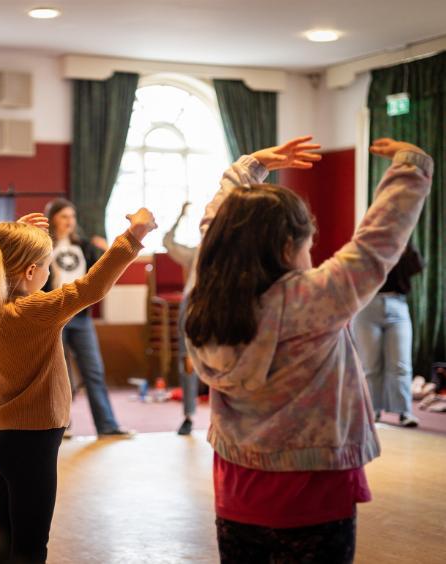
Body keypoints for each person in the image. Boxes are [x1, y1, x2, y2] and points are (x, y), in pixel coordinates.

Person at [185, 136, 432, 563]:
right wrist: (412, 166)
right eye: (307, 243)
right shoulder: (313, 300)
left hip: (236, 490)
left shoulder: (211, 293)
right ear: (287, 248)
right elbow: (378, 243)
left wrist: (247, 168)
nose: (311, 252)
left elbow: (214, 229)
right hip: (314, 493)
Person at [0, 209, 156, 563]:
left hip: (1, 439)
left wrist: (20, 236)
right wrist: (133, 236)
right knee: (30, 550)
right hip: (31, 443)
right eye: (46, 266)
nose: (49, 273)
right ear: (31, 271)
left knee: (10, 546)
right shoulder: (33, 310)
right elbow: (93, 286)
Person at [43, 198, 134, 439]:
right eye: (64, 216)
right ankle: (61, 425)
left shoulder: (84, 245)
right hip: (55, 315)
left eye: (72, 217)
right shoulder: (43, 245)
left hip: (81, 316)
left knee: (94, 371)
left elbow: (102, 272)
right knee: (59, 375)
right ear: (53, 219)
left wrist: (105, 250)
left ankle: (107, 425)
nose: (69, 221)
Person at [352, 242, 424, 427]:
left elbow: (416, 266)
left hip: (397, 304)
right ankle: (372, 411)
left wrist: (404, 246)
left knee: (401, 363)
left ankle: (404, 412)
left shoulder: (405, 244)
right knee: (370, 365)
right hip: (368, 306)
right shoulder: (366, 244)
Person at [162, 202, 200, 435]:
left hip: (220, 303)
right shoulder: (195, 253)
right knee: (187, 362)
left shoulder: (232, 251)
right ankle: (188, 416)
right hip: (192, 303)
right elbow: (167, 243)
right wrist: (179, 216)